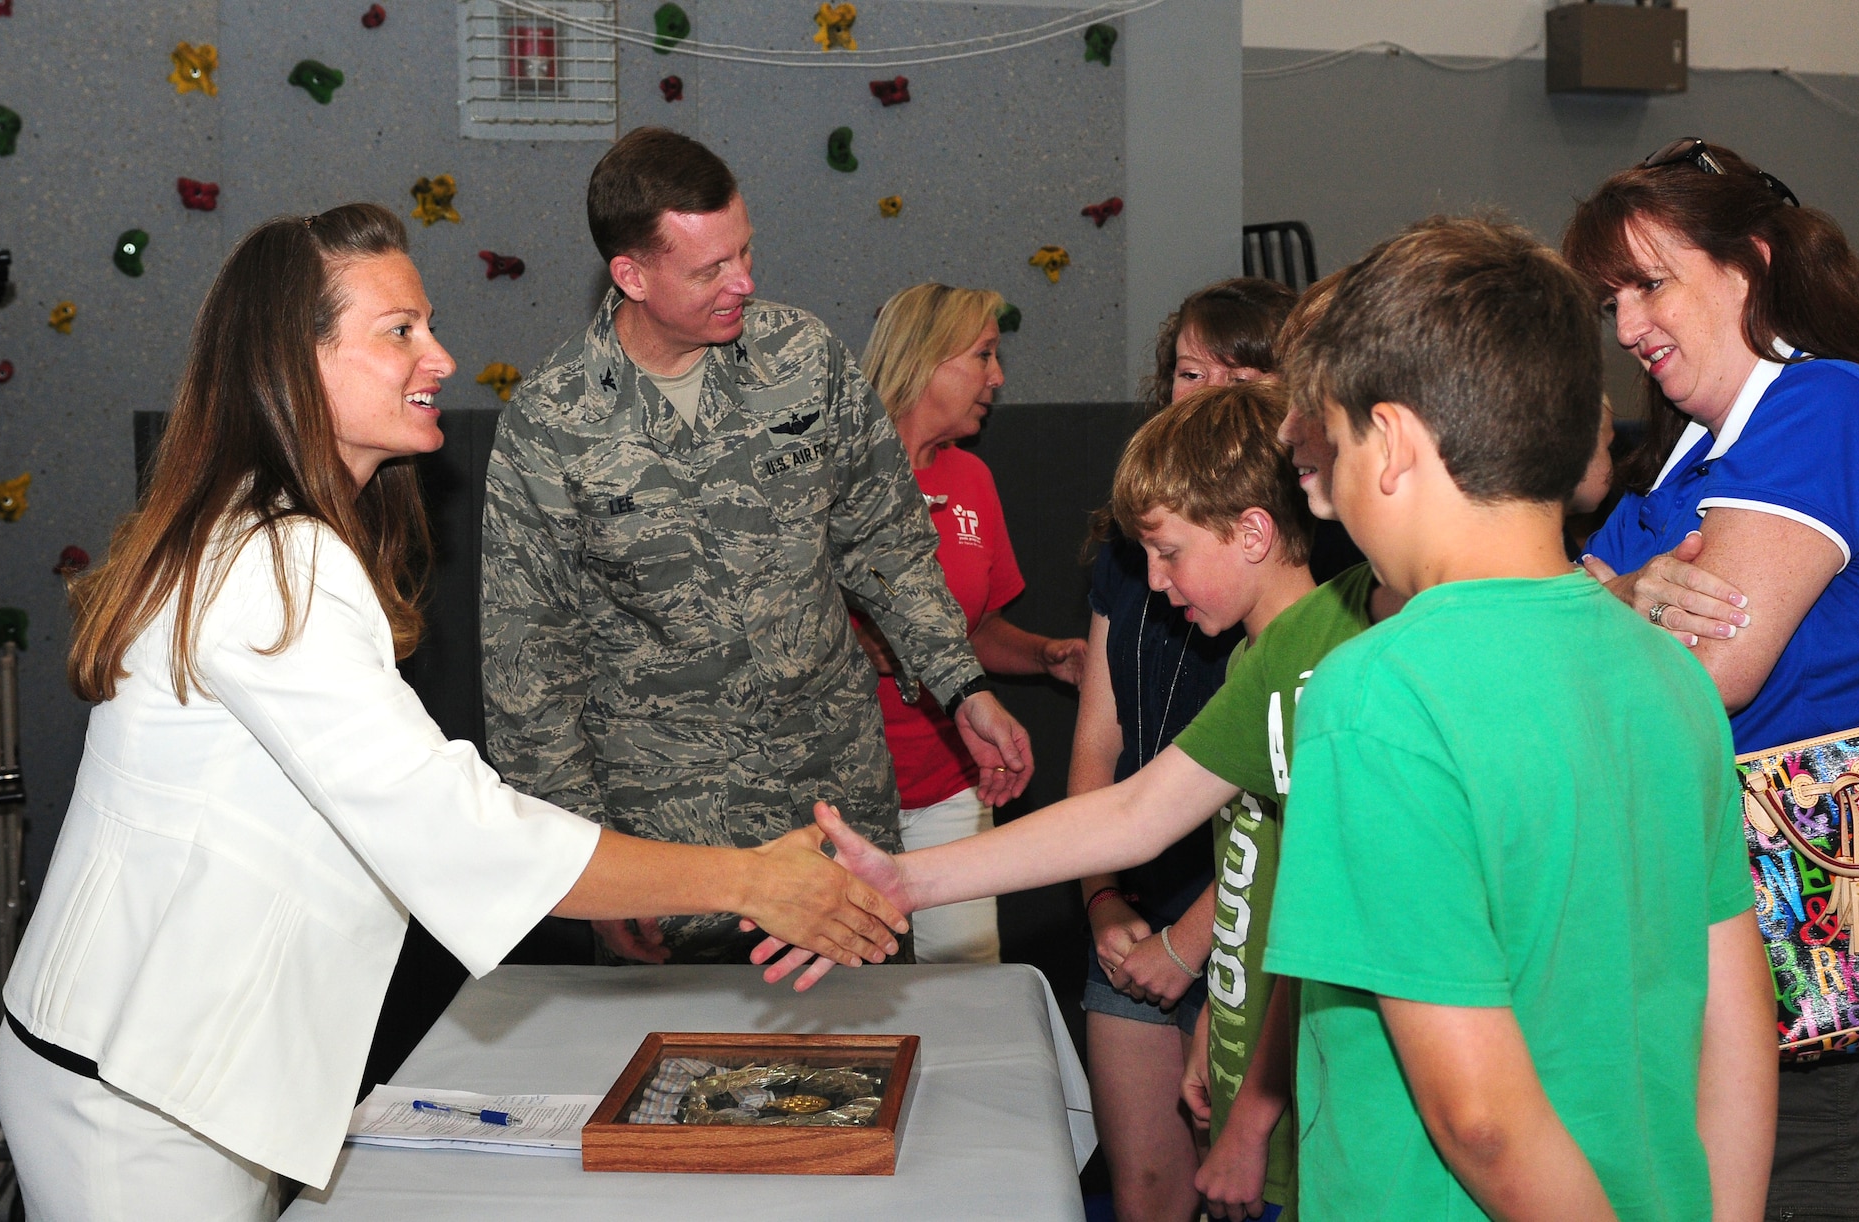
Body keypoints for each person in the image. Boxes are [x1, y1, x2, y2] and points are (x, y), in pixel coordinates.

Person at [0, 205, 905, 1222]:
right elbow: (455, 825)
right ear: (295, 360)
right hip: (141, 1089)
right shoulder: (271, 561)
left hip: (179, 1065)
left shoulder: (264, 535)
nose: (440, 354)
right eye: (399, 331)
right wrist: (747, 879)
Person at [1255, 215, 1774, 1220]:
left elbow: (1481, 1120)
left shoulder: (1375, 694)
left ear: (1393, 444)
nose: (1322, 495)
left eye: (1337, 440)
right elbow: (1734, 1023)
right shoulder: (1666, 674)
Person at [756, 379, 1323, 1220]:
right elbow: (1131, 815)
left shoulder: (1332, 664)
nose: (1157, 584)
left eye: (1168, 552)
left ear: (1252, 531)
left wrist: (1257, 1114)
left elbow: (1318, 916)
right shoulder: (1257, 665)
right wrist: (909, 880)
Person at [481, 127, 1032, 966]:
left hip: (832, 816)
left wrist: (963, 687)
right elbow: (531, 669)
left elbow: (885, 534)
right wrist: (586, 875)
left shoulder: (803, 359)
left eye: (744, 251)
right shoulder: (552, 424)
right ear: (631, 275)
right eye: (710, 269)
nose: (745, 281)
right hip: (673, 845)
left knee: (866, 1067)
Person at [1565, 138, 1859, 1219]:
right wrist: (1622, 602)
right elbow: (1530, 639)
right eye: (1610, 299)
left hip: (1824, 959)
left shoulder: (1825, 408)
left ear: (1750, 263)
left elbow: (1708, 667)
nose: (1626, 326)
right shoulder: (1682, 460)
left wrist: (1602, 604)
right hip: (1711, 965)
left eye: (1649, 283)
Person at [1067, 277, 1295, 1222]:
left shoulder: (1299, 621)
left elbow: (1288, 836)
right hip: (1138, 909)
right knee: (1149, 1193)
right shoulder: (1141, 555)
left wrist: (1193, 944)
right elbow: (1103, 750)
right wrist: (1101, 899)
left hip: (1246, 935)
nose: (1203, 395)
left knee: (1248, 1187)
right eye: (1186, 371)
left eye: (1236, 374)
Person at [853, 282, 1086, 965]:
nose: (998, 376)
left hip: (950, 779)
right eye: (983, 354)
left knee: (965, 984)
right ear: (925, 357)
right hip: (832, 788)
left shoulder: (973, 478)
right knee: (835, 999)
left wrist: (1046, 655)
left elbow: (974, 630)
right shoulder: (835, 470)